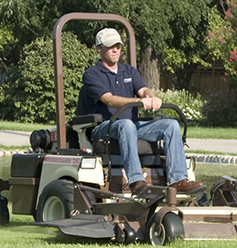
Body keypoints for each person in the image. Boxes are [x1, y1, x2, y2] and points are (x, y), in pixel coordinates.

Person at [79, 28, 204, 194]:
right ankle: (136, 181)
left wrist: (151, 98)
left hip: (131, 126)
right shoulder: (92, 74)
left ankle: (178, 180)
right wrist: (139, 101)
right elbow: (109, 99)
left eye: (118, 46)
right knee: (126, 125)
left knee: (171, 125)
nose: (115, 50)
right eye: (110, 46)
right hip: (104, 128)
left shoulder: (129, 71)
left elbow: (143, 90)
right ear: (99, 48)